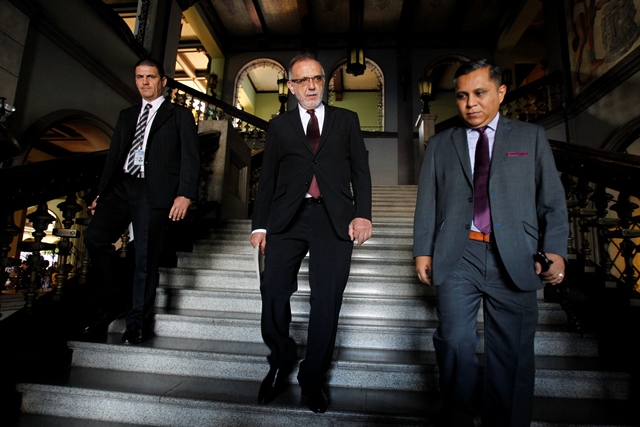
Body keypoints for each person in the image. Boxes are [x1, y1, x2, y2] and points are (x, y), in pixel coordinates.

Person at [413, 59, 568, 426]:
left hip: (514, 255)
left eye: (480, 93)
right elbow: (428, 201)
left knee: (511, 352)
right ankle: (457, 417)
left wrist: (556, 251)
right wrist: (422, 249)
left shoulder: (530, 138)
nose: (470, 104)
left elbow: (552, 201)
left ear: (501, 93)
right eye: (463, 96)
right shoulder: (440, 144)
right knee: (453, 343)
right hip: (458, 252)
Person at [250, 52, 372, 413]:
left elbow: (361, 172)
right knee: (273, 291)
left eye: (316, 78)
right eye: (302, 80)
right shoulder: (280, 125)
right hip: (287, 218)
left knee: (326, 300)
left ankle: (312, 379)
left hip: (334, 218)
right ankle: (280, 361)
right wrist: (260, 225)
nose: (311, 85)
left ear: (324, 82)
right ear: (291, 86)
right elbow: (268, 177)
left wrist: (362, 215)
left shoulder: (347, 120)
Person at [83, 57, 200, 345]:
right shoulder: (126, 115)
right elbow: (114, 157)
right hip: (122, 186)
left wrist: (185, 194)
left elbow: (190, 157)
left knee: (145, 259)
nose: (144, 82)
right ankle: (118, 296)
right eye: (139, 77)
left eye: (150, 77)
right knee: (94, 238)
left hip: (155, 190)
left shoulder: (179, 115)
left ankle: (136, 324)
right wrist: (101, 193)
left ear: (163, 81)